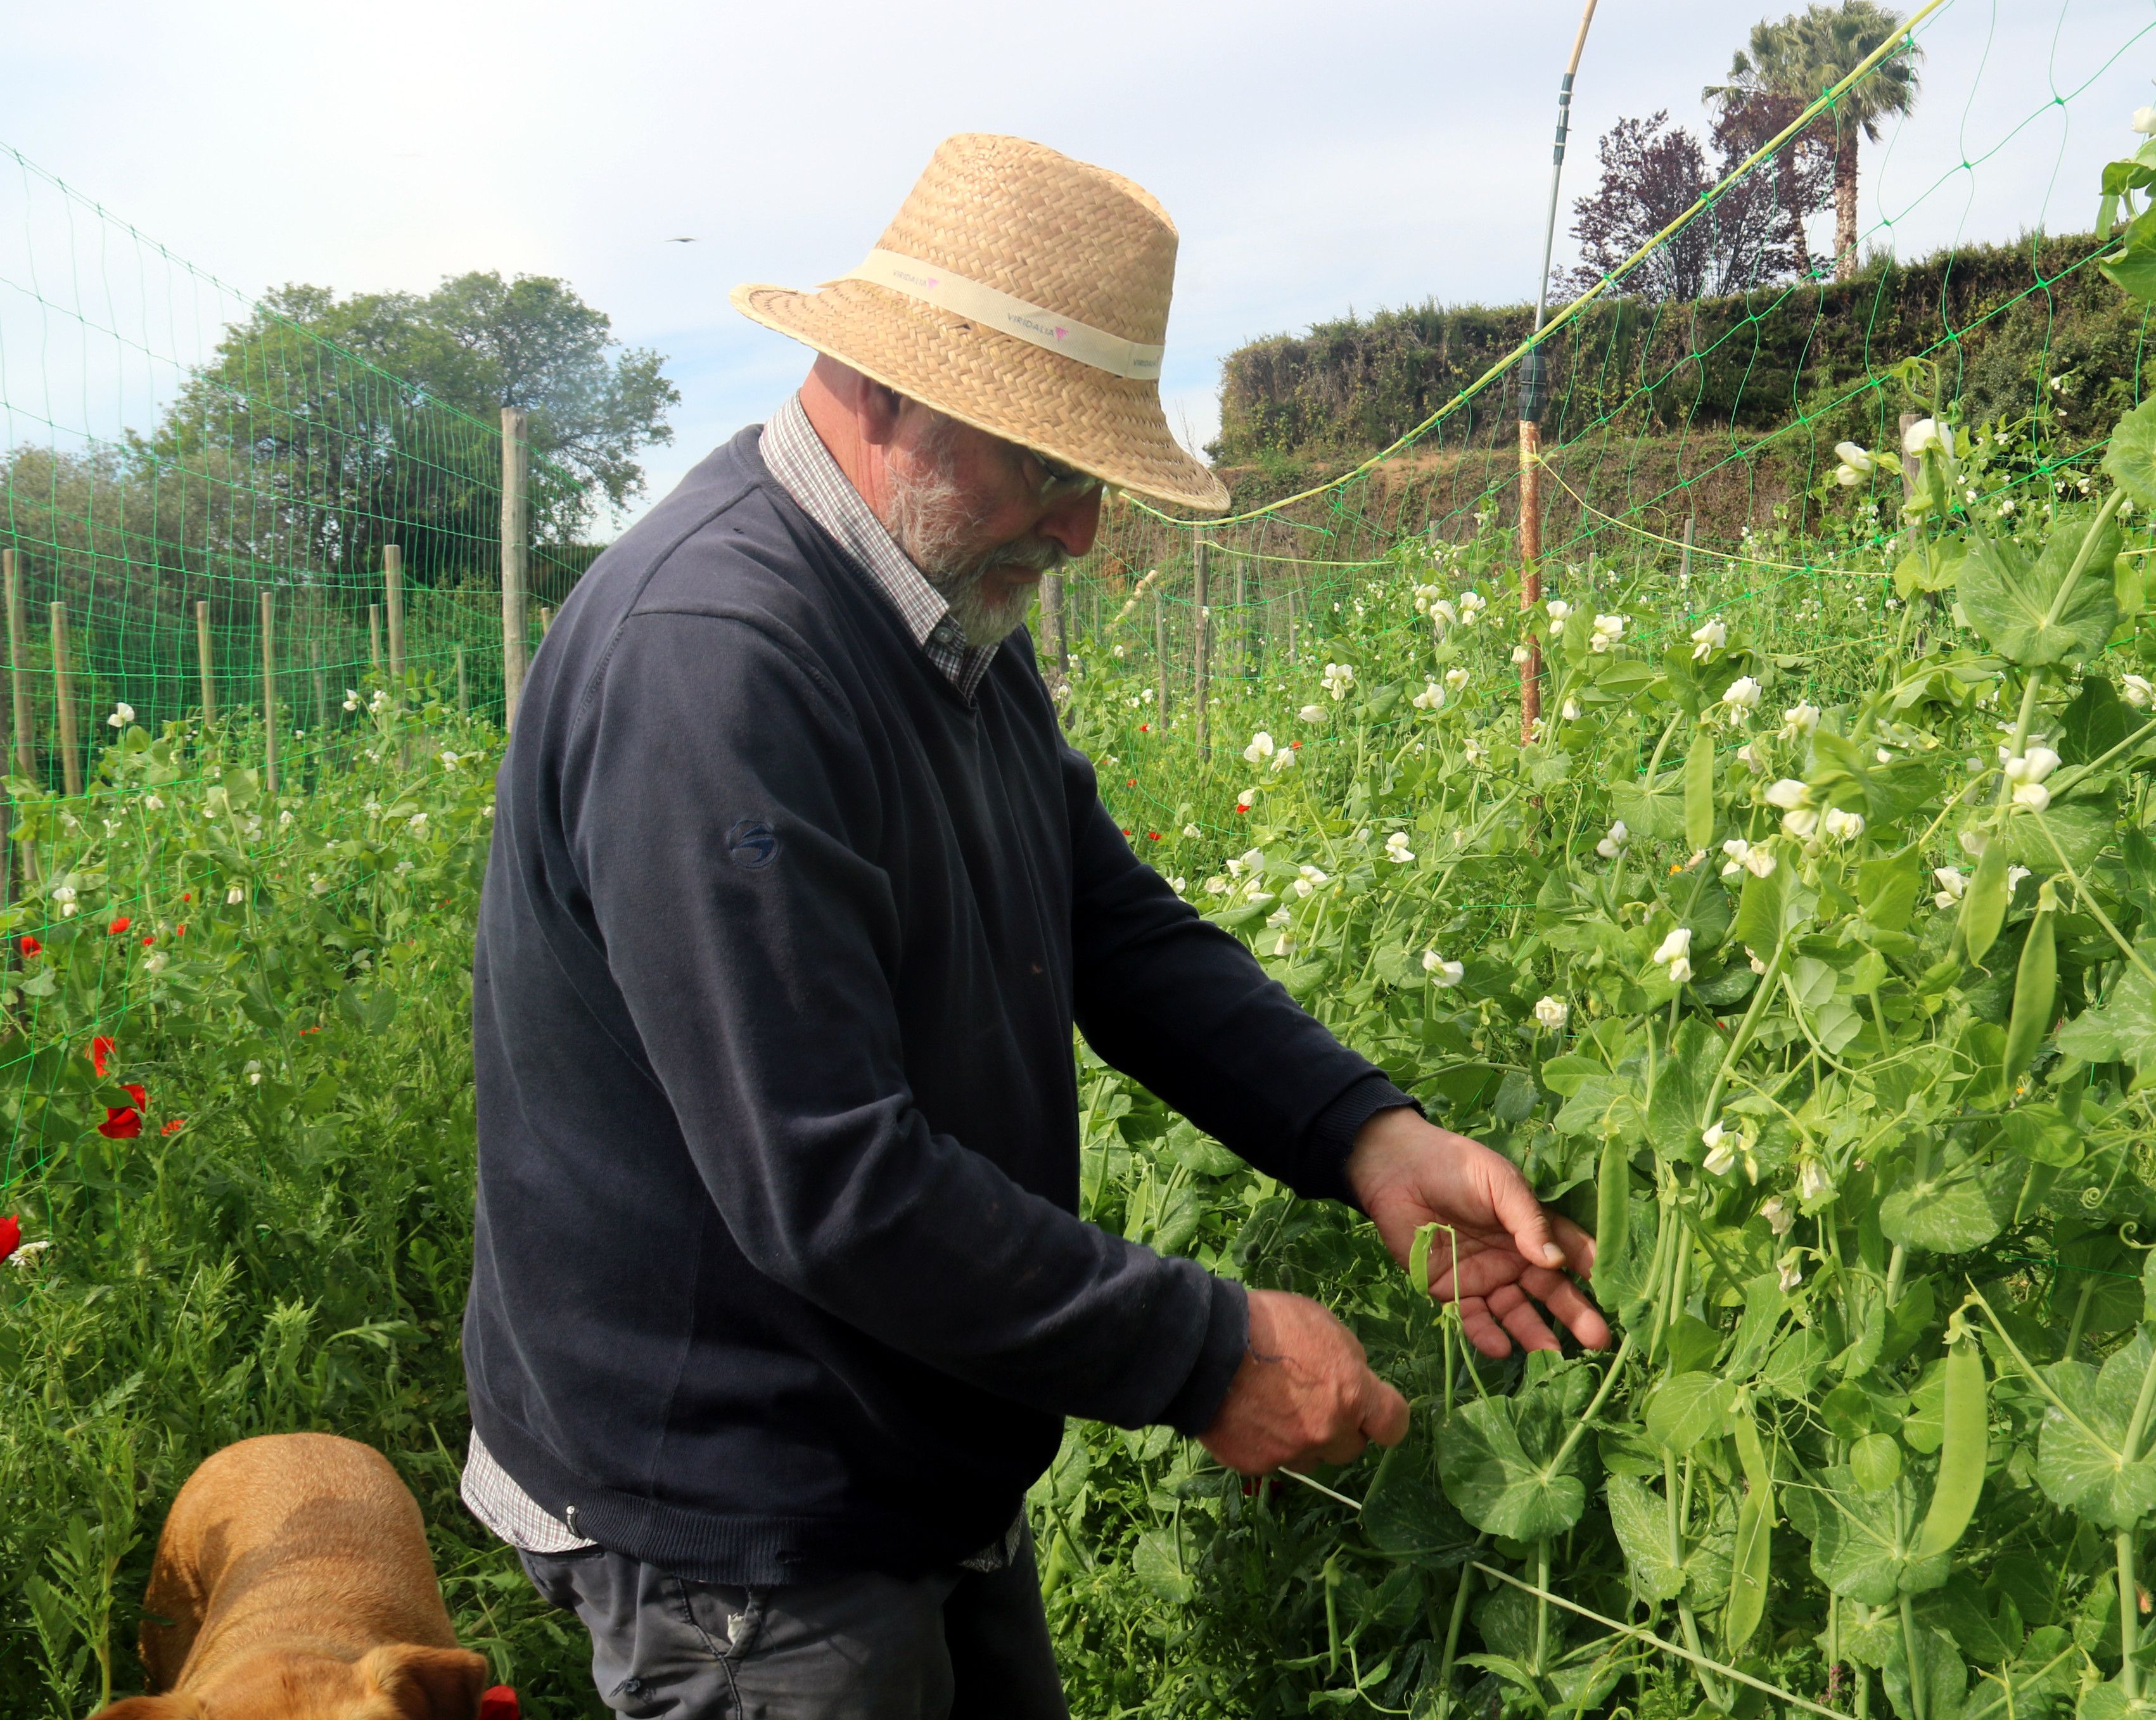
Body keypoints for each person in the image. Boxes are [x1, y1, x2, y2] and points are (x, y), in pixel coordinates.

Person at [458, 133, 1607, 1719]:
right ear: (883, 393)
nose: (1080, 534)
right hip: (741, 1512)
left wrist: (1365, 1134)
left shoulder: (936, 612)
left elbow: (1105, 919)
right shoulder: (715, 665)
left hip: (913, 1416)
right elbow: (827, 1177)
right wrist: (1206, 1352)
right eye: (1051, 468)